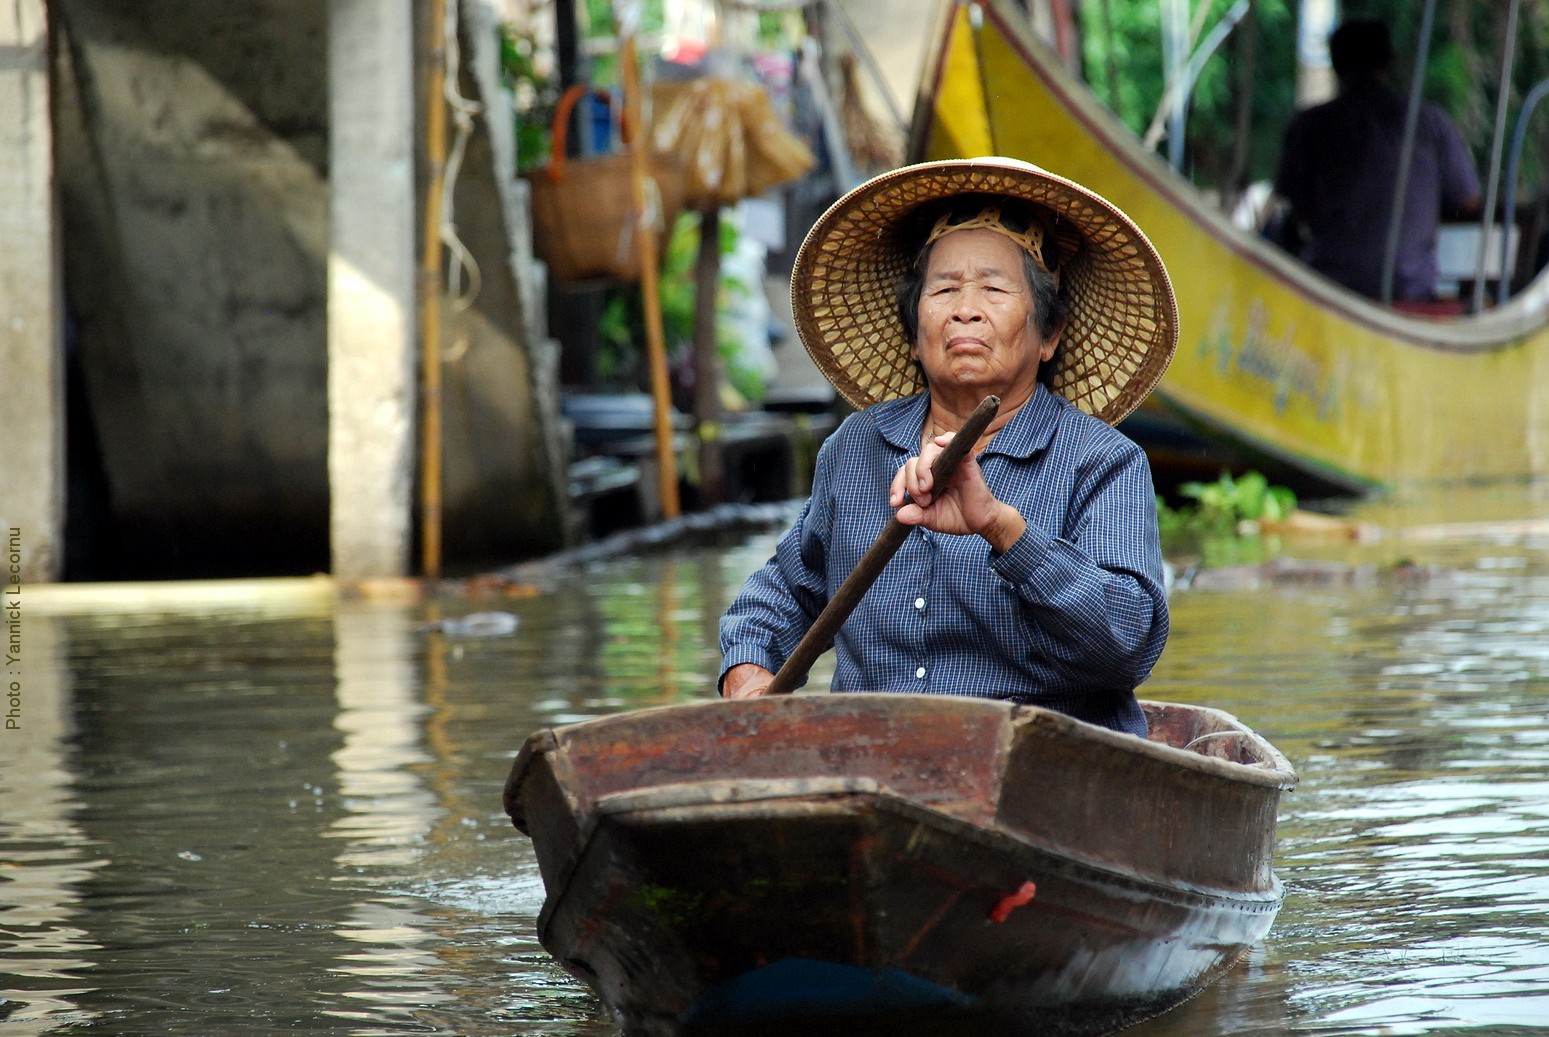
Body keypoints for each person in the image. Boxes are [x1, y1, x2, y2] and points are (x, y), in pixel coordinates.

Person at [717, 157, 1177, 736]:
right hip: (871, 757)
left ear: (1049, 335)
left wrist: (1002, 529)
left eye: (993, 287)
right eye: (945, 289)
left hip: (1040, 769)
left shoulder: (1101, 460)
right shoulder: (857, 449)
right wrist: (749, 671)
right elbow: (784, 590)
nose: (965, 308)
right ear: (913, 333)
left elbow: (1130, 644)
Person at [1273, 19, 1481, 303]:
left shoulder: (1311, 125)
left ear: (1336, 63)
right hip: (1410, 287)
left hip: (1329, 287)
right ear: (1388, 62)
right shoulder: (1430, 122)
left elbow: (1299, 207)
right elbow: (1468, 201)